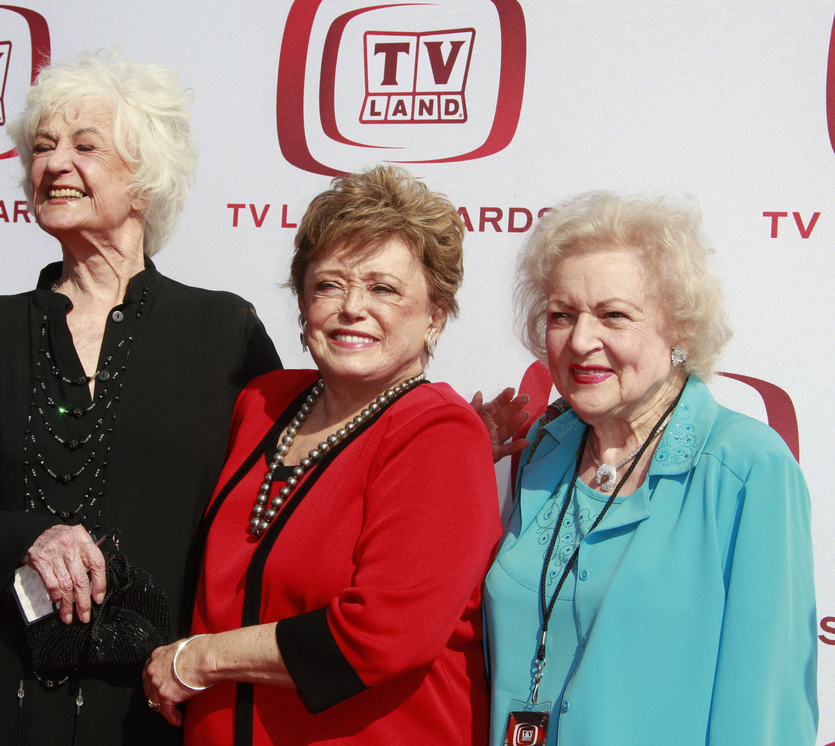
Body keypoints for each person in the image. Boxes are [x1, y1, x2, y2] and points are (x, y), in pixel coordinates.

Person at [0, 52, 280, 745]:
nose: (53, 164)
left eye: (84, 145)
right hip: (4, 709)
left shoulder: (222, 332)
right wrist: (26, 537)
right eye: (41, 148)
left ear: (145, 176)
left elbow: (289, 489)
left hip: (163, 711)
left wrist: (417, 433)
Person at [143, 165, 519, 744]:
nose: (352, 307)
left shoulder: (439, 432)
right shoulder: (263, 403)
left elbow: (381, 635)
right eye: (329, 284)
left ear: (435, 317)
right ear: (302, 301)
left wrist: (199, 661)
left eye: (383, 288)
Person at [482, 192, 818, 744]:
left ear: (679, 330)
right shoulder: (546, 448)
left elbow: (769, 711)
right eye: (561, 316)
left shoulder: (746, 467)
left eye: (614, 315)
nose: (582, 340)